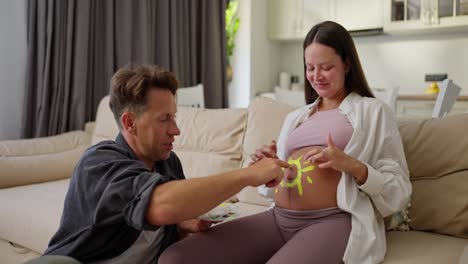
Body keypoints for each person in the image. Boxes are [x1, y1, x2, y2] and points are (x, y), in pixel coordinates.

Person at [159, 21, 412, 264]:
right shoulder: (296, 117)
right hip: (278, 218)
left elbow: (398, 192)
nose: (316, 76)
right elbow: (270, 190)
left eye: (326, 67)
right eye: (310, 67)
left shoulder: (373, 112)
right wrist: (271, 169)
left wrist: (352, 165)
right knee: (176, 258)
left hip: (332, 221)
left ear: (347, 64)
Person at [43, 64, 290, 263]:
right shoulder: (98, 162)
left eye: (174, 117)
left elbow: (167, 219)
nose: (176, 130)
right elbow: (161, 205)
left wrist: (182, 225)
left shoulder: (168, 163)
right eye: (164, 119)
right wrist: (248, 175)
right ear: (130, 123)